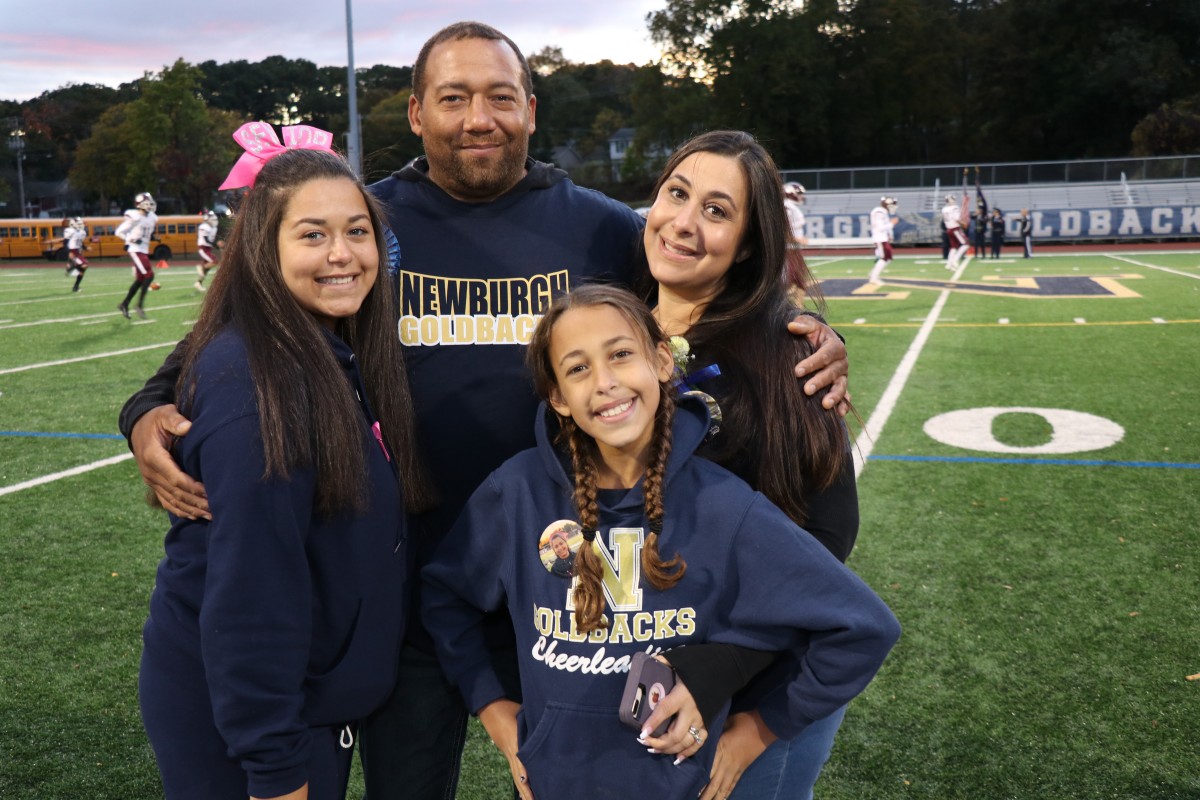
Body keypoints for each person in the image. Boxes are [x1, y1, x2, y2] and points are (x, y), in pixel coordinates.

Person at [117, 22, 851, 800]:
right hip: (413, 594)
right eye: (454, 98)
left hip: (571, 591)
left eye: (500, 97)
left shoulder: (601, 226)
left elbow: (706, 272)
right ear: (414, 113)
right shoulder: (367, 221)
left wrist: (798, 332)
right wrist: (146, 407)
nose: (479, 118)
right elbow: (245, 322)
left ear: (531, 111)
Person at [421, 284, 900, 800]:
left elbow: (863, 627)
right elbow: (444, 597)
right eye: (578, 368)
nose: (605, 383)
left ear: (662, 362)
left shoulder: (724, 505)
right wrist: (493, 709)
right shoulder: (515, 494)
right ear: (557, 396)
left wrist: (760, 728)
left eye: (621, 355)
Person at [138, 125, 433, 800]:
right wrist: (274, 771)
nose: (342, 254)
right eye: (311, 235)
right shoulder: (256, 386)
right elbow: (251, 597)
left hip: (302, 706)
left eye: (358, 232)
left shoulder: (325, 348)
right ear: (264, 250)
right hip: (255, 729)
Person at [633, 129, 867, 800]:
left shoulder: (789, 353)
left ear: (749, 245)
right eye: (676, 194)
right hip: (647, 674)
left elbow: (828, 536)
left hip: (756, 692)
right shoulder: (612, 334)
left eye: (716, 210)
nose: (684, 222)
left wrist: (740, 691)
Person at [115, 192, 158, 319]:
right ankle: (139, 305)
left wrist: (154, 237)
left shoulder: (152, 217)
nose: (149, 205)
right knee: (149, 275)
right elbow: (119, 232)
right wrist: (131, 240)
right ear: (139, 205)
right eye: (146, 202)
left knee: (140, 280)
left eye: (150, 202)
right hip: (135, 250)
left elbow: (146, 233)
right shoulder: (135, 216)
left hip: (143, 249)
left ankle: (124, 304)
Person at [866, 196, 898, 286]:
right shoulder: (879, 212)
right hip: (880, 238)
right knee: (885, 258)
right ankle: (873, 278)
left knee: (887, 258)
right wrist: (892, 223)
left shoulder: (882, 212)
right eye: (892, 205)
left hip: (882, 238)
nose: (893, 207)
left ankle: (873, 274)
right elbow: (880, 228)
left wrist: (890, 234)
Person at [942, 192, 970, 271]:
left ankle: (949, 264)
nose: (954, 200)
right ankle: (955, 260)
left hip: (949, 229)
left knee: (953, 247)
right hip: (955, 229)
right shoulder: (954, 207)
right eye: (953, 199)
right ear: (950, 200)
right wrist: (963, 223)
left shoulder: (944, 209)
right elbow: (956, 218)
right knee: (966, 244)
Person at [195, 209, 220, 291]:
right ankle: (200, 267)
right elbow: (206, 240)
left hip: (208, 248)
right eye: (212, 218)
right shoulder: (204, 227)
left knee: (207, 268)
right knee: (214, 261)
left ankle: (198, 283)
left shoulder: (213, 227)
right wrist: (216, 245)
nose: (214, 220)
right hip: (203, 248)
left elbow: (212, 239)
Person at [64, 217, 90, 292]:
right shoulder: (70, 231)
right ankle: (70, 268)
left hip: (78, 251)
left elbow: (80, 242)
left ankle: (75, 287)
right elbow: (65, 243)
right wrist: (69, 252)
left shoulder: (82, 232)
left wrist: (85, 248)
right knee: (85, 265)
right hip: (73, 251)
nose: (81, 225)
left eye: (81, 223)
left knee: (83, 270)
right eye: (79, 223)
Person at [782, 181, 808, 246]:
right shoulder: (787, 206)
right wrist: (796, 240)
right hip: (789, 246)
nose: (802, 196)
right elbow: (781, 230)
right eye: (799, 193)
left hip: (793, 245)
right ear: (791, 194)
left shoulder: (791, 206)